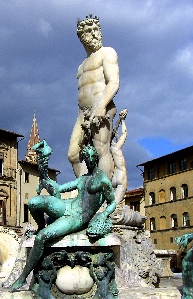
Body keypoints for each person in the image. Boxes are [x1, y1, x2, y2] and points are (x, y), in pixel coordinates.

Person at [9, 144, 116, 292]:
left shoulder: (103, 180)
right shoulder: (82, 179)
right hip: (66, 206)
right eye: (87, 157)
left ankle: (22, 278)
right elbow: (59, 189)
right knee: (33, 203)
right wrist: (45, 176)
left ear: (96, 158)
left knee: (41, 238)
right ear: (84, 160)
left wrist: (103, 214)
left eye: (93, 157)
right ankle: (41, 225)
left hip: (77, 218)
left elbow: (112, 203)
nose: (90, 160)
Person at [68, 15, 120, 179]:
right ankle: (86, 192)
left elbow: (113, 82)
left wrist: (102, 105)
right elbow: (81, 95)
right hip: (83, 113)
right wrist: (80, 117)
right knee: (73, 155)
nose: (95, 34)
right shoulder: (81, 66)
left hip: (101, 105)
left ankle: (101, 198)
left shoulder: (107, 52)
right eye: (89, 31)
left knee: (100, 150)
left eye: (96, 30)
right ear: (81, 36)